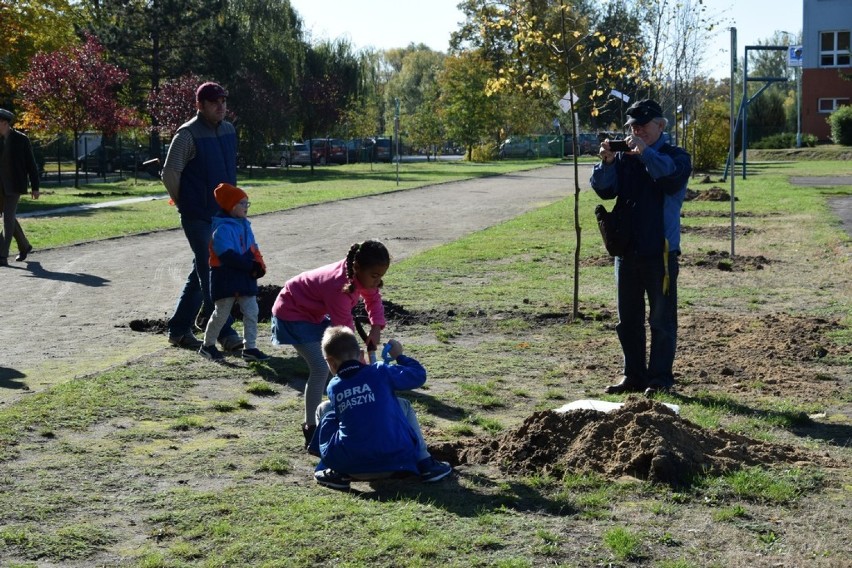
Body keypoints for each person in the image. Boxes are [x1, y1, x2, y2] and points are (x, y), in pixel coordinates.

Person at [589, 99, 692, 397]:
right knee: (628, 320)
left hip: (660, 253)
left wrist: (645, 153)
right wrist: (607, 163)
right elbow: (605, 190)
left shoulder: (677, 156)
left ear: (660, 125)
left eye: (643, 125)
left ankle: (659, 379)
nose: (637, 131)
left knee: (661, 320)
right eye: (632, 126)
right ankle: (632, 375)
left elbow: (670, 180)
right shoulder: (624, 158)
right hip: (626, 252)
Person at [271, 239, 389, 448]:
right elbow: (344, 332)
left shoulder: (362, 278)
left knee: (345, 365)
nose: (377, 281)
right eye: (374, 276)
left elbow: (373, 298)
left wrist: (376, 327)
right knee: (320, 368)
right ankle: (312, 430)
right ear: (357, 267)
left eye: (381, 276)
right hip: (291, 313)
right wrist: (359, 362)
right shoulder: (338, 287)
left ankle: (344, 415)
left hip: (312, 314)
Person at [310, 326, 453, 490]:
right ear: (362, 355)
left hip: (351, 468)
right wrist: (399, 356)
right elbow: (418, 375)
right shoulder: (380, 371)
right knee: (403, 403)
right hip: (398, 462)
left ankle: (334, 471)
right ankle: (425, 462)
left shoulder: (334, 386)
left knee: (326, 409)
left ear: (330, 362)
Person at [161, 81, 243, 352]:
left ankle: (179, 329)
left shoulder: (229, 130)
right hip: (198, 215)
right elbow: (170, 173)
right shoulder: (187, 135)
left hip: (224, 217)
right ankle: (223, 330)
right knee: (211, 267)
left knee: (202, 270)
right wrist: (185, 202)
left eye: (224, 101)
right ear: (200, 105)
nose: (221, 107)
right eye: (213, 102)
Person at [198, 183, 270, 362]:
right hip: (225, 276)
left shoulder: (245, 225)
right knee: (221, 313)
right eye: (242, 203)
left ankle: (250, 348)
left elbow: (254, 248)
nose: (246, 207)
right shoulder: (221, 229)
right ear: (231, 206)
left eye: (247, 203)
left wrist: (260, 265)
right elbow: (227, 256)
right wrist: (249, 266)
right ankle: (207, 346)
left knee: (252, 311)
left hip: (244, 276)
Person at [0, 108, 39, 267]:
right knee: (9, 219)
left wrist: (35, 187)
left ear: (4, 123)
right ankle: (24, 245)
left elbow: (31, 164)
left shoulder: (21, 139)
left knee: (7, 219)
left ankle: (2, 255)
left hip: (14, 185)